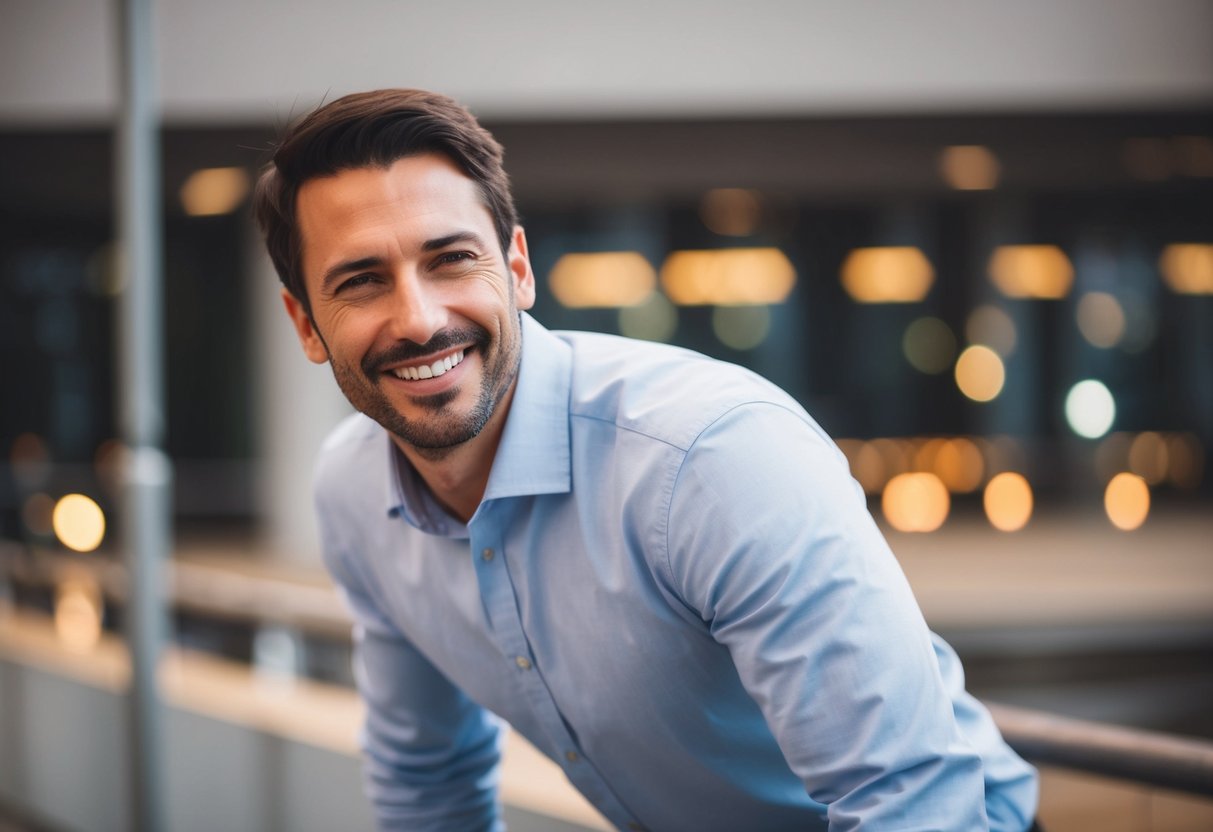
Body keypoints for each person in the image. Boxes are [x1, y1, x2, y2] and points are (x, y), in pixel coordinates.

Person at [255, 88, 1039, 831]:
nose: (420, 320)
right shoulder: (352, 491)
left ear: (517, 268)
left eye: (452, 259)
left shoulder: (711, 460)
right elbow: (429, 781)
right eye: (361, 281)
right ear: (305, 324)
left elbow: (907, 801)